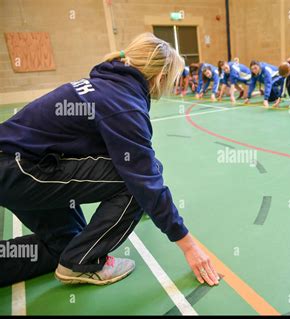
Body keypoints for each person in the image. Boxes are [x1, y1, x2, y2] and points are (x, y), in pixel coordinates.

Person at [0, 32, 219, 287]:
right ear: (159, 76)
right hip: (19, 169)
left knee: (65, 245)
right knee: (134, 184)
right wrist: (188, 244)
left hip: (17, 167)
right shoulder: (122, 103)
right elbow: (144, 178)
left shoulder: (105, 84)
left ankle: (71, 258)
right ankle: (81, 263)